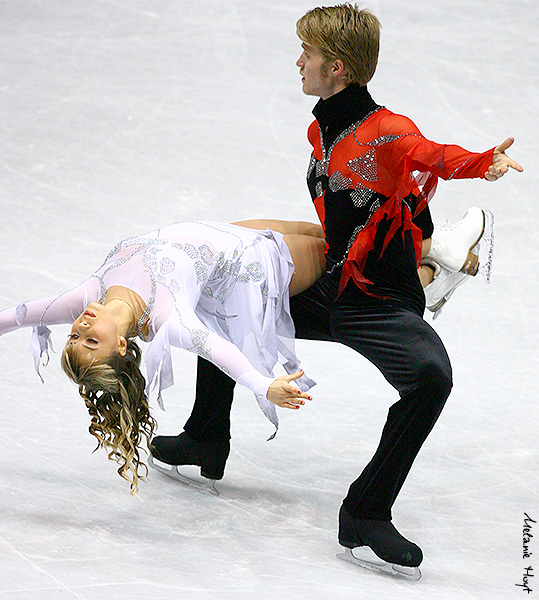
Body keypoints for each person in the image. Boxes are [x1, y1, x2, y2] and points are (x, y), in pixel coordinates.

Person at [150, 4, 523, 578]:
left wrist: (483, 162)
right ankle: (206, 437)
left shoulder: (389, 131)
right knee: (230, 298)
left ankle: (367, 513)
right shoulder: (319, 125)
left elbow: (432, 156)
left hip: (379, 301)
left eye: (310, 54)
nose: (298, 62)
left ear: (339, 67)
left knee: (431, 377)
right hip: (332, 284)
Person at [0, 221, 326, 495]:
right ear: (120, 348)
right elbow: (218, 349)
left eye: (74, 336)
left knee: (329, 225)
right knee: (343, 245)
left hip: (225, 231)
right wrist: (264, 385)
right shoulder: (167, 318)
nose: (82, 326)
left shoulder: (86, 298)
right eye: (91, 340)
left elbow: (21, 315)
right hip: (253, 262)